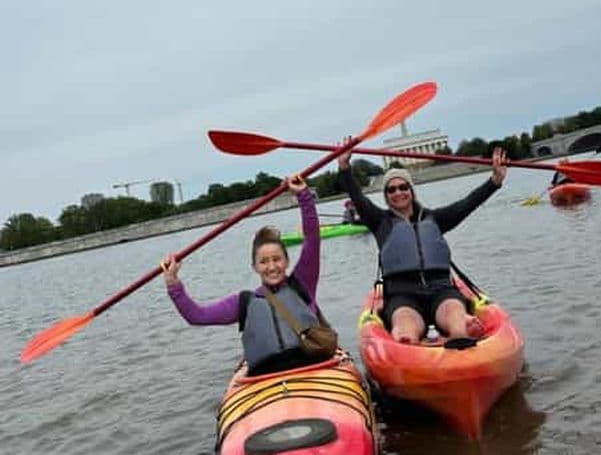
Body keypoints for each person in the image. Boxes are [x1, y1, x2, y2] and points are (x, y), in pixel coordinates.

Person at [337, 142, 508, 344]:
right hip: (402, 295)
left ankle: (461, 332)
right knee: (405, 326)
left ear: (411, 190)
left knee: (454, 313)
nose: (398, 192)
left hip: (441, 289)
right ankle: (407, 340)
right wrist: (345, 168)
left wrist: (494, 182)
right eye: (391, 190)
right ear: (386, 196)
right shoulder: (380, 221)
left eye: (403, 187)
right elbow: (357, 197)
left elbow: (467, 204)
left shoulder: (435, 218)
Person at [161, 174, 330, 376]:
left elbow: (312, 238)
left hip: (311, 366)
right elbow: (197, 316)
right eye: (264, 262)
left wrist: (303, 196)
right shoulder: (244, 302)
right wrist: (173, 284)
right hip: (266, 378)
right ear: (255, 267)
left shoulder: (303, 281)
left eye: (277, 259)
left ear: (286, 261)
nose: (272, 266)